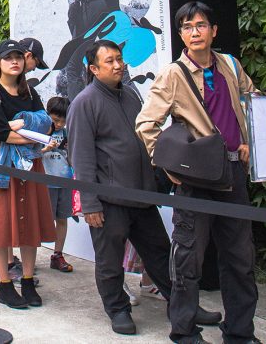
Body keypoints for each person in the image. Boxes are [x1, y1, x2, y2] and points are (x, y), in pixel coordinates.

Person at [136, 1, 257, 344]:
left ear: (213, 30)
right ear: (180, 35)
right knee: (188, 258)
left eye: (201, 25)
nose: (195, 33)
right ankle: (184, 331)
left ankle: (240, 331)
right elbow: (146, 124)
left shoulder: (230, 66)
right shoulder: (173, 74)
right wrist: (170, 166)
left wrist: (251, 139)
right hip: (196, 179)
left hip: (233, 172)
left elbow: (252, 100)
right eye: (187, 28)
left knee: (240, 257)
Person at [68, 42, 176, 335]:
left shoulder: (129, 94)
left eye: (119, 59)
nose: (118, 65)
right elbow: (81, 157)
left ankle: (180, 305)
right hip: (109, 199)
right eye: (110, 61)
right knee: (109, 261)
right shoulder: (84, 102)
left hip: (141, 195)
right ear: (93, 69)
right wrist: (89, 203)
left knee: (160, 253)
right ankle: (117, 309)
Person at [0, 39, 55, 308]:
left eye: (18, 58)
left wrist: (18, 128)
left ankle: (29, 281)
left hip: (30, 163)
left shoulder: (30, 92)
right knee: (1, 223)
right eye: (8, 57)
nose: (15, 62)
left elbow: (47, 126)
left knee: (29, 221)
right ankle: (5, 285)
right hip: (1, 163)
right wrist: (28, 132)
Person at [40, 95, 74, 273]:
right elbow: (31, 153)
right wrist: (45, 148)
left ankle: (57, 255)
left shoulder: (68, 134)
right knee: (41, 220)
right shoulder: (40, 131)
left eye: (63, 120)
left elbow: (72, 157)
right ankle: (28, 256)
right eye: (55, 120)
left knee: (62, 219)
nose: (59, 124)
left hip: (64, 181)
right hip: (46, 182)